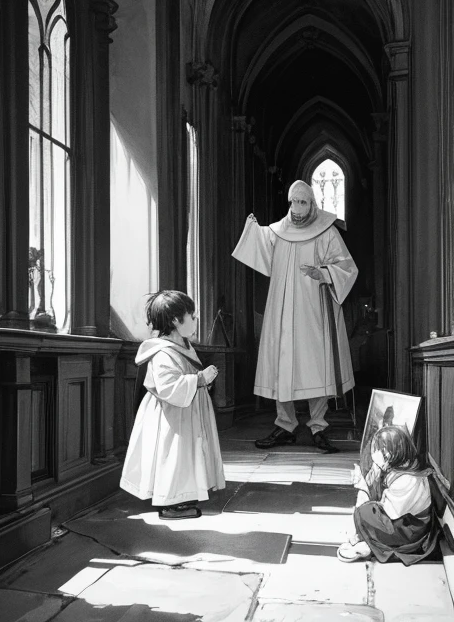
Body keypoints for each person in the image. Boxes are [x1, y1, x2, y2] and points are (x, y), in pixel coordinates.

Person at [232, 179, 358, 453]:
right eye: (293, 202)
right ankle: (285, 425)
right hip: (281, 312)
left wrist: (323, 273)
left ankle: (318, 426)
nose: (297, 209)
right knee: (282, 366)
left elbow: (347, 267)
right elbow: (262, 251)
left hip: (314, 312)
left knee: (316, 366)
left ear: (312, 203)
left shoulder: (326, 232)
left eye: (302, 202)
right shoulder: (278, 232)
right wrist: (253, 230)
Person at [120, 290, 225, 519]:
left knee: (185, 456)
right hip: (171, 416)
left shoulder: (184, 345)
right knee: (172, 456)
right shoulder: (162, 352)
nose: (196, 320)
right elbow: (168, 388)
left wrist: (203, 381)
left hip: (186, 413)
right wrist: (199, 379)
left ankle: (182, 498)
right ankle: (169, 504)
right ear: (176, 321)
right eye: (192, 316)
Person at [338, 425, 438, 563]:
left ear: (390, 452)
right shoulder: (403, 467)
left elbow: (391, 513)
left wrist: (367, 492)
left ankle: (372, 545)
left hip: (411, 529)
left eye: (378, 449)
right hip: (404, 520)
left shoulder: (407, 480)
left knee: (364, 512)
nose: (374, 453)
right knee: (366, 510)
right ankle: (365, 539)